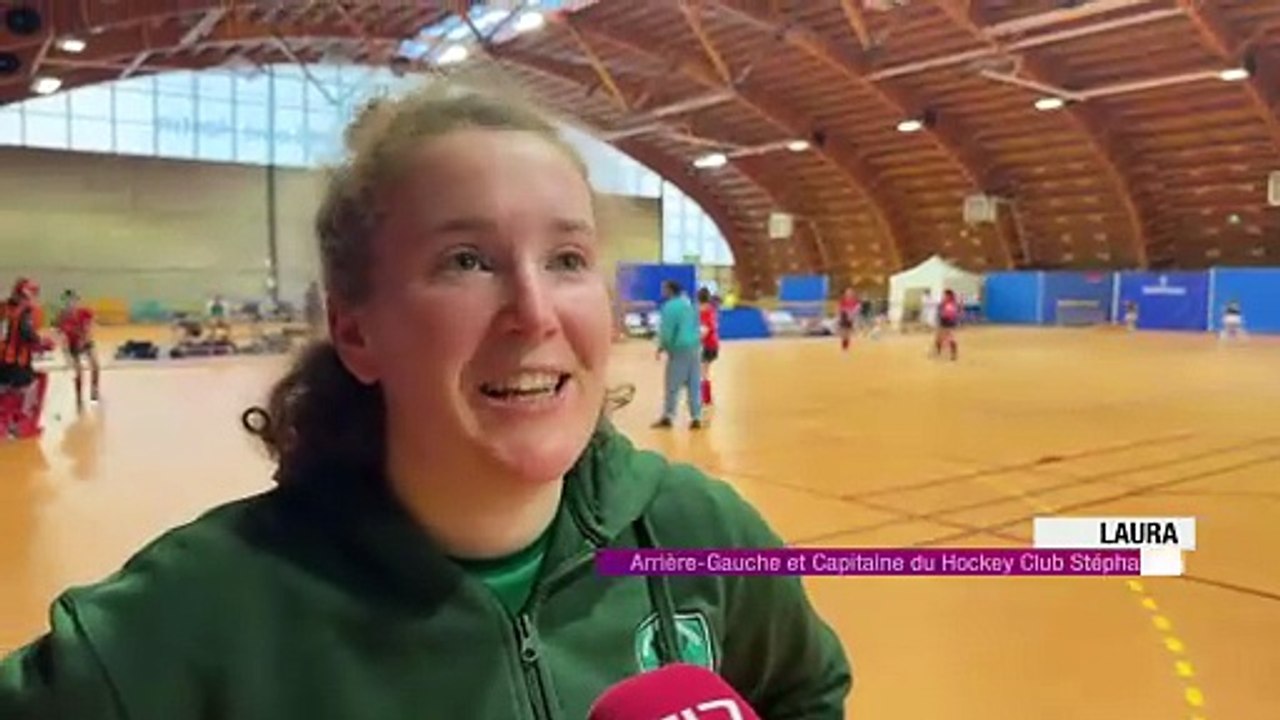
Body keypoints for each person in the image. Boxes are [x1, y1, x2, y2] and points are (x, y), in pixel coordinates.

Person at [0, 85, 850, 718]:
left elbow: (805, 691)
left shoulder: (697, 535)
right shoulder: (210, 611)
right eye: (466, 261)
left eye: (566, 259)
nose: (535, 312)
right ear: (356, 330)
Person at [0, 278, 53, 439]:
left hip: (2, 360)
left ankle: (5, 423)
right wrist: (42, 343)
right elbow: (26, 333)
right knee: (29, 388)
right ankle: (17, 426)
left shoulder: (5, 308)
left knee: (4, 389)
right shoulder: (25, 312)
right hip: (17, 361)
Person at [652, 279, 704, 429]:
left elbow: (667, 330)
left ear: (670, 290)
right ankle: (696, 417)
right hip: (694, 347)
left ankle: (668, 416)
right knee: (694, 383)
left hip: (679, 349)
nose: (662, 291)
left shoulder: (669, 307)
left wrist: (662, 346)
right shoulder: (690, 305)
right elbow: (697, 325)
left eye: (664, 289)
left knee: (672, 384)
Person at [55, 289, 100, 407]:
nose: (70, 304)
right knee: (79, 372)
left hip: (86, 342)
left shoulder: (85, 312)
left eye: (73, 301)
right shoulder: (62, 317)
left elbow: (91, 328)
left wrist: (85, 338)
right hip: (73, 345)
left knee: (95, 365)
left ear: (77, 301)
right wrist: (67, 357)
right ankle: (79, 398)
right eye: (67, 302)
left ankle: (94, 391)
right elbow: (62, 338)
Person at [697, 286, 719, 408]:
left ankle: (705, 398)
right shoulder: (711, 310)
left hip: (707, 345)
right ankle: (705, 397)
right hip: (713, 344)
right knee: (703, 370)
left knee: (703, 372)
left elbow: (705, 330)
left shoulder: (704, 312)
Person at [933, 289, 961, 361]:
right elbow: (939, 311)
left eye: (946, 295)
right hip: (943, 322)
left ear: (950, 295)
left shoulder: (953, 303)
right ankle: (938, 352)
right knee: (938, 338)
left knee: (951, 339)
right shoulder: (943, 303)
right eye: (944, 295)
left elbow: (956, 312)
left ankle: (953, 354)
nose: (944, 296)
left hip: (950, 323)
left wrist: (955, 319)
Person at [836, 287, 858, 351]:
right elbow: (839, 308)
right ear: (845, 293)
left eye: (850, 292)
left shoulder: (854, 301)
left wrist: (853, 314)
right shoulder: (843, 300)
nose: (849, 293)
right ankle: (844, 347)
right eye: (848, 292)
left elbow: (857, 308)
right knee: (844, 333)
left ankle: (846, 347)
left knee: (848, 334)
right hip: (844, 316)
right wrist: (839, 316)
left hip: (851, 317)